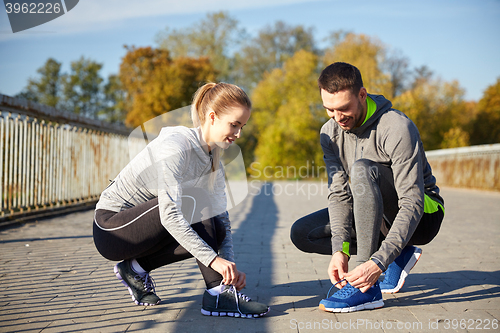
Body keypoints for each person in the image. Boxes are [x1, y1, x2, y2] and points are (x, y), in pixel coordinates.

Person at [93, 82, 270, 318]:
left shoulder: (214, 156)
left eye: (242, 126)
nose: (238, 134)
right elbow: (169, 214)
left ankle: (134, 269)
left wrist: (229, 267)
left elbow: (222, 221)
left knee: (214, 226)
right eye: (234, 125)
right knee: (195, 199)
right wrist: (214, 261)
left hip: (149, 228)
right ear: (213, 117)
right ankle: (217, 295)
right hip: (113, 229)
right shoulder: (176, 146)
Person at [290, 62, 444, 313]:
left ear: (362, 95)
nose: (337, 118)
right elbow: (339, 195)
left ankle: (367, 289)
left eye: (343, 108)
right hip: (375, 214)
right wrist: (339, 249)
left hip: (423, 216)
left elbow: (412, 201)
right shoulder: (329, 133)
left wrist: (377, 263)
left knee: (363, 168)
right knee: (303, 233)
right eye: (329, 109)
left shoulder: (396, 127)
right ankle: (396, 253)